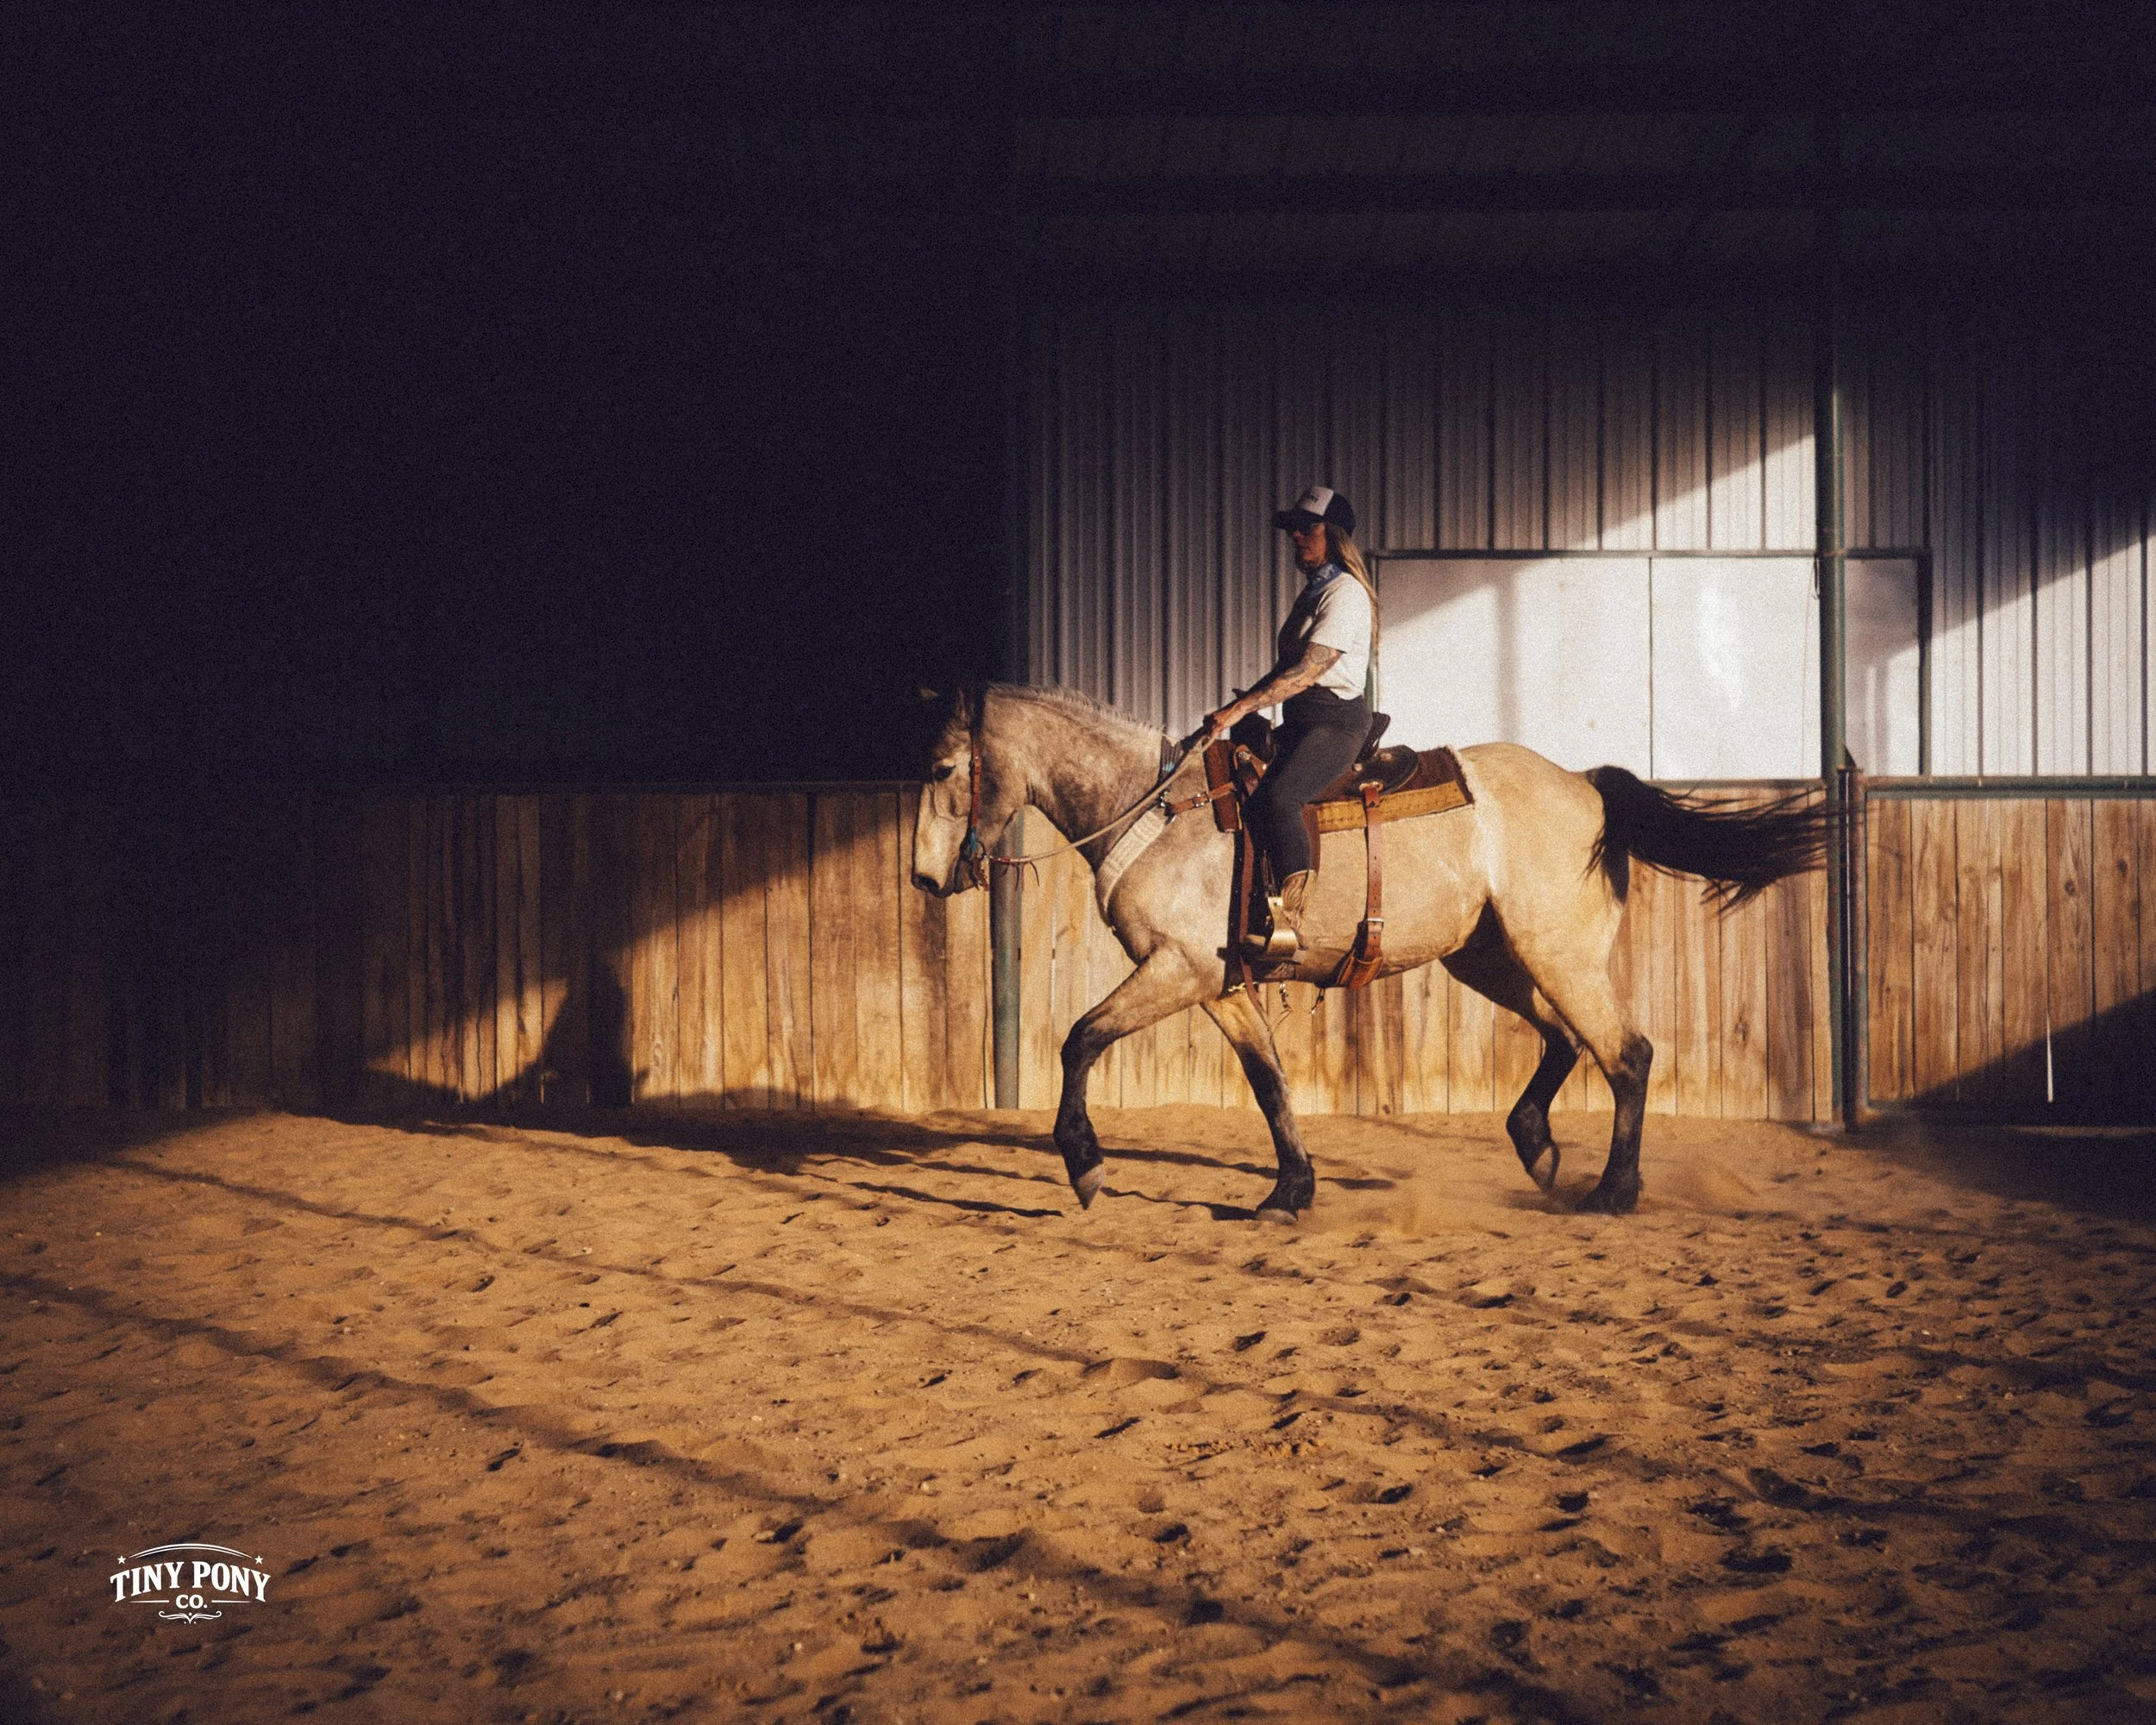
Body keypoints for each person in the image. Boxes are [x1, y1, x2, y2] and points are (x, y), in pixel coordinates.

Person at [1201, 485, 1376, 958]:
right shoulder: (1313, 593)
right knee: (1246, 789)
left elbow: (1310, 668)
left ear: (1334, 535)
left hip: (1336, 723)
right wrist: (1250, 703)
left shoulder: (1346, 595)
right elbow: (1285, 671)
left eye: (1308, 528)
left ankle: (1290, 925)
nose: (1297, 536)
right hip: (1302, 718)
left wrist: (1239, 710)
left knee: (1281, 797)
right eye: (1294, 529)